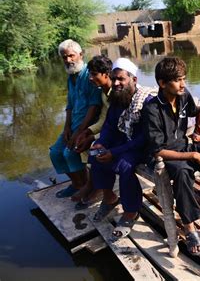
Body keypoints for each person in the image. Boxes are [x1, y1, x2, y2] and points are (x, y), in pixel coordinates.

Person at [142, 57, 200, 256]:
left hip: (186, 145)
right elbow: (157, 150)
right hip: (168, 155)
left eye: (184, 78)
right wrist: (193, 155)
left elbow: (196, 111)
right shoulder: (151, 110)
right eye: (178, 80)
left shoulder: (184, 96)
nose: (183, 84)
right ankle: (189, 226)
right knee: (184, 172)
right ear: (162, 83)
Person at [89, 58, 156, 239]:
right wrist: (102, 142)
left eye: (121, 79)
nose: (116, 83)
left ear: (133, 79)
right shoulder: (117, 98)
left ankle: (130, 212)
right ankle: (110, 197)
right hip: (123, 141)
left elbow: (144, 137)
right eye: (114, 79)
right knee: (95, 155)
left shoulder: (147, 102)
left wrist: (114, 152)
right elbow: (110, 126)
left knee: (124, 166)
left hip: (141, 147)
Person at [49, 39, 102, 198]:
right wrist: (66, 128)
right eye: (64, 57)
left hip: (86, 126)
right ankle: (77, 184)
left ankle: (87, 186)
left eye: (71, 56)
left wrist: (80, 132)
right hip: (72, 125)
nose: (68, 60)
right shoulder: (70, 78)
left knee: (70, 153)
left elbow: (94, 106)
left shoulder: (89, 76)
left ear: (81, 54)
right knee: (55, 153)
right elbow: (70, 105)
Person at [72, 55, 113, 209]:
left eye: (94, 74)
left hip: (122, 136)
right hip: (109, 132)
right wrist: (87, 132)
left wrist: (93, 138)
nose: (90, 78)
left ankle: (95, 187)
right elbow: (104, 119)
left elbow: (117, 126)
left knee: (95, 148)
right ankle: (92, 184)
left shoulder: (117, 93)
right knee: (82, 143)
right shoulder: (103, 93)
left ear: (106, 74)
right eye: (89, 73)